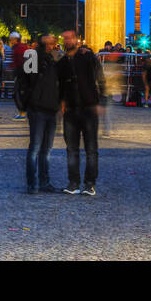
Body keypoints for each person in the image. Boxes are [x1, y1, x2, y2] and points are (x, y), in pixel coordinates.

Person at [57, 29, 104, 196]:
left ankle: (90, 184)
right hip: (70, 110)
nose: (67, 41)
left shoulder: (87, 56)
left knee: (91, 149)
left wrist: (101, 101)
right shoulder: (62, 62)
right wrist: (61, 102)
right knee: (71, 149)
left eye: (70, 38)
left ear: (77, 40)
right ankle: (73, 183)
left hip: (89, 108)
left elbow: (100, 76)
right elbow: (60, 85)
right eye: (65, 39)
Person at [16, 33, 60, 194]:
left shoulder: (54, 59)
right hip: (37, 109)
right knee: (35, 147)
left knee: (46, 149)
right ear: (42, 43)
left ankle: (44, 182)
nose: (51, 45)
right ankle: (32, 183)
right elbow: (24, 80)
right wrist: (28, 102)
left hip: (51, 108)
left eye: (53, 43)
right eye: (48, 43)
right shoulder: (33, 57)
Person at [9, 32, 28, 120]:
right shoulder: (21, 47)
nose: (10, 41)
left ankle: (22, 112)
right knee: (18, 93)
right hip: (22, 72)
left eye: (11, 39)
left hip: (21, 73)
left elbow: (20, 61)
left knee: (17, 93)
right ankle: (22, 112)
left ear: (15, 39)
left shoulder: (19, 48)